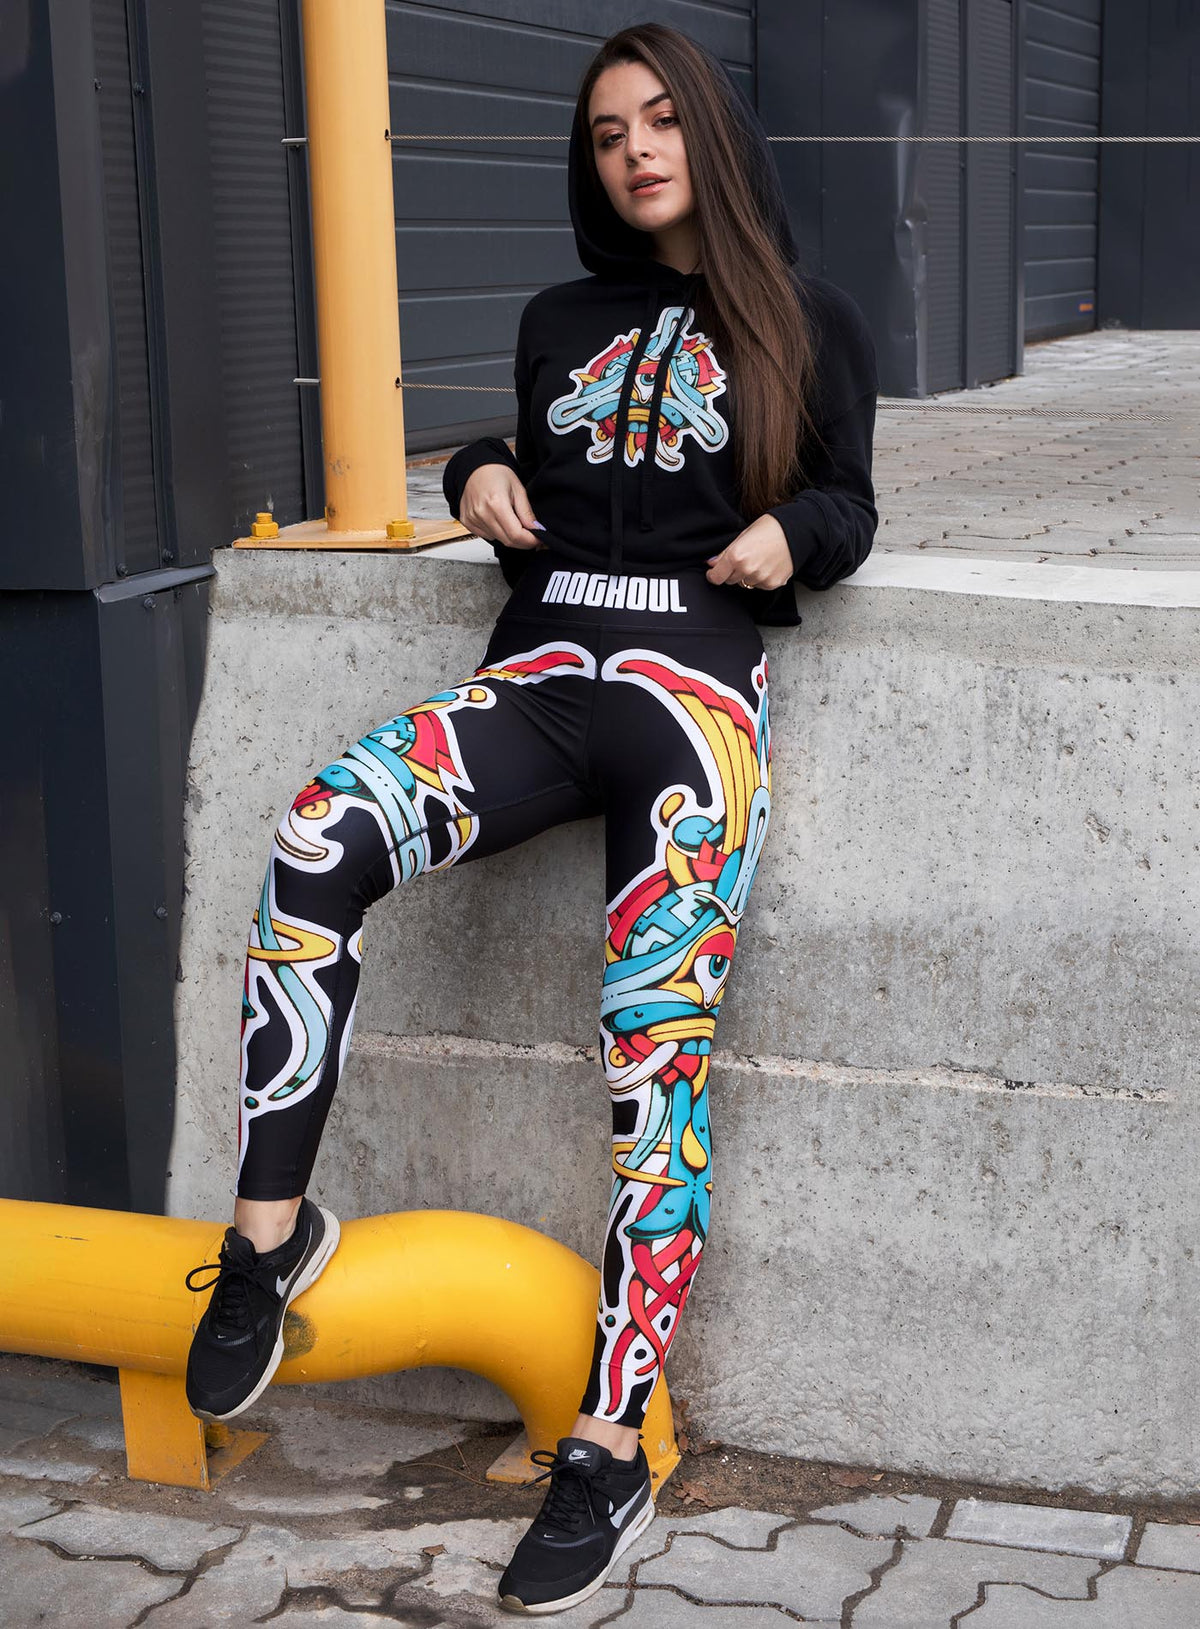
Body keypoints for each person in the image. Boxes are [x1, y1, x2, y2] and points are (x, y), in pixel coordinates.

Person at [182, 21, 878, 1617]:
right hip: (547, 677)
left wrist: (792, 530)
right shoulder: (558, 316)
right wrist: (489, 466)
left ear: (711, 134)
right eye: (607, 132)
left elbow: (851, 501)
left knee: (654, 1052)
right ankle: (269, 1237)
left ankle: (611, 1444)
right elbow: (544, 501)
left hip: (696, 702)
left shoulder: (810, 322)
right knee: (317, 831)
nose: (634, 150)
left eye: (659, 122)